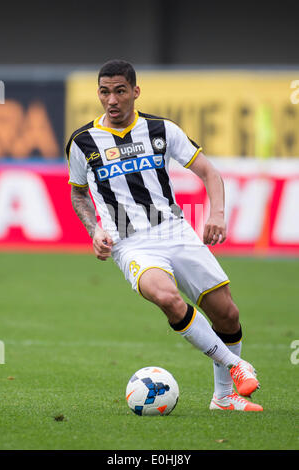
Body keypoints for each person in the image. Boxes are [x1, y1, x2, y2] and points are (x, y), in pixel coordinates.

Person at [66, 59, 263, 412]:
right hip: (128, 241)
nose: (112, 100)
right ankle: (235, 366)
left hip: (174, 230)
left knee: (227, 314)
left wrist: (216, 213)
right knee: (167, 298)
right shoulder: (83, 142)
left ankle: (224, 398)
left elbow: (209, 172)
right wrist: (94, 229)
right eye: (104, 92)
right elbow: (78, 192)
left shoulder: (161, 129)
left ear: (135, 92)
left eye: (120, 91)